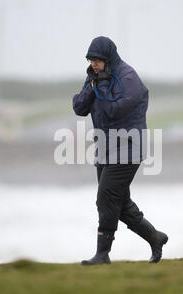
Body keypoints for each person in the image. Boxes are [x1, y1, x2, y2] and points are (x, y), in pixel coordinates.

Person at [72, 36, 168, 265]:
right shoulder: (95, 77)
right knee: (120, 204)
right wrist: (93, 84)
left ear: (109, 57)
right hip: (105, 147)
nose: (94, 64)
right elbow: (79, 107)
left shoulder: (128, 77)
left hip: (128, 147)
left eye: (98, 60)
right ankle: (155, 238)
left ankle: (102, 254)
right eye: (91, 60)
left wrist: (101, 85)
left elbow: (114, 110)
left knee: (105, 198)